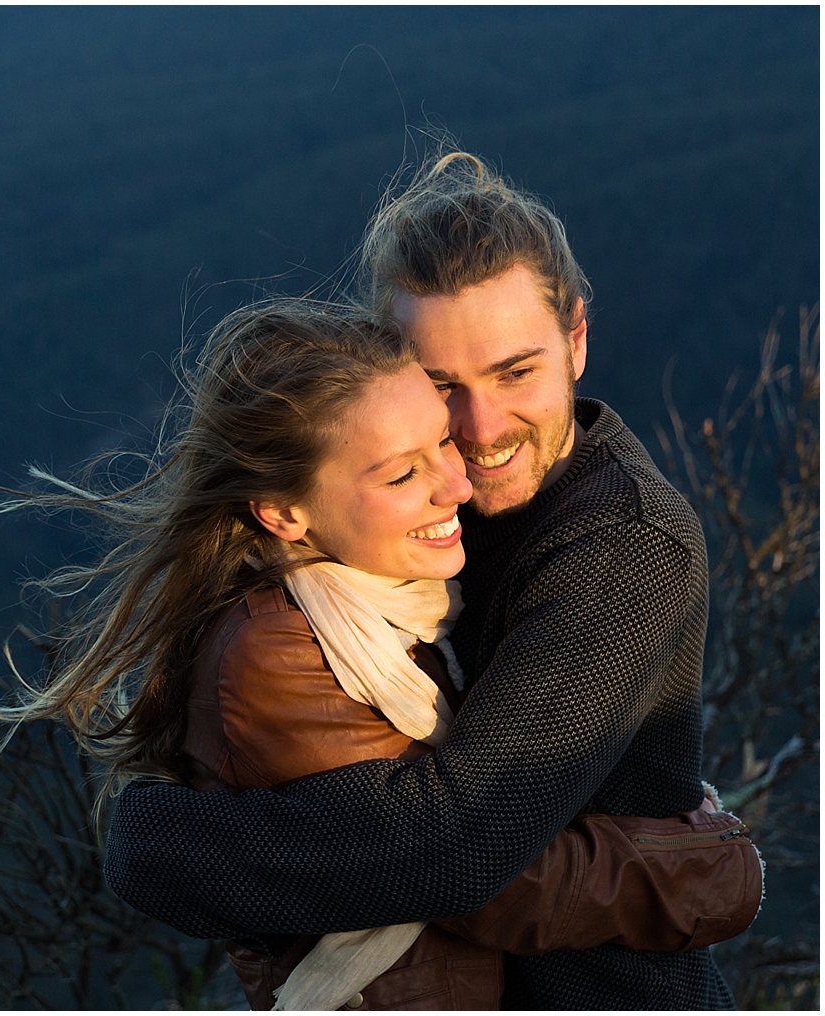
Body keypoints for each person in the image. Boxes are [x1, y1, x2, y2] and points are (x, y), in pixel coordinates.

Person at [101, 152, 746, 1008]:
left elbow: (458, 842)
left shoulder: (621, 545)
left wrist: (155, 841)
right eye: (443, 387)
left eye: (517, 372)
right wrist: (697, 875)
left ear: (578, 339)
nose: (479, 432)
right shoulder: (409, 511)